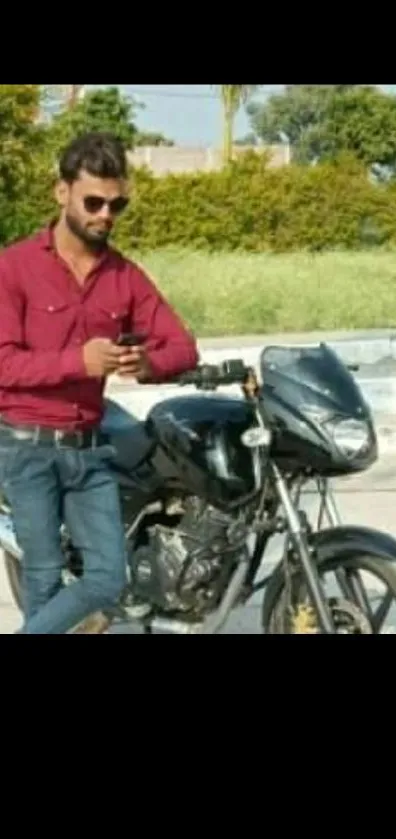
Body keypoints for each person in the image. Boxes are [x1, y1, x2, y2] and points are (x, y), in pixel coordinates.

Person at [0, 131, 199, 634]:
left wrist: (148, 364)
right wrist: (79, 362)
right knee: (43, 578)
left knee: (109, 578)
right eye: (94, 202)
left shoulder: (123, 276)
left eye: (117, 205)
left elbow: (183, 346)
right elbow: (3, 365)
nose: (105, 216)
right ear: (61, 192)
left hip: (90, 449)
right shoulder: (14, 267)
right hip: (26, 447)